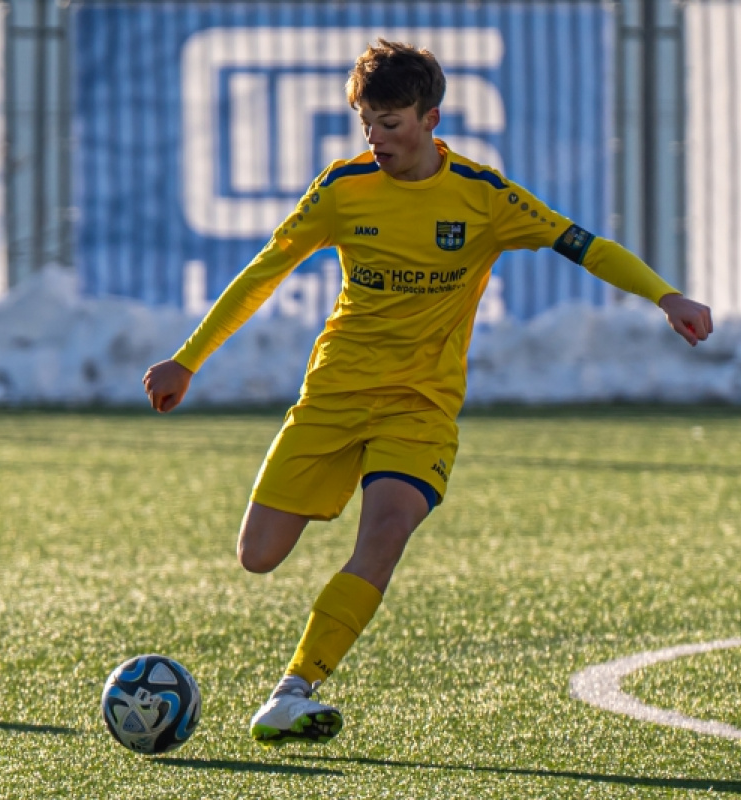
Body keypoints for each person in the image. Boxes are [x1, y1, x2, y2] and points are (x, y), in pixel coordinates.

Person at [143, 39, 713, 747]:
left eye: (391, 122)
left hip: (421, 406)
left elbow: (584, 243)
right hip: (334, 397)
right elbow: (263, 272)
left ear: (431, 116)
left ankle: (293, 690)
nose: (376, 138)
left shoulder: (483, 195)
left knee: (384, 533)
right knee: (257, 554)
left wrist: (666, 295)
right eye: (367, 122)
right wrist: (187, 360)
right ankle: (295, 672)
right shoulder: (341, 190)